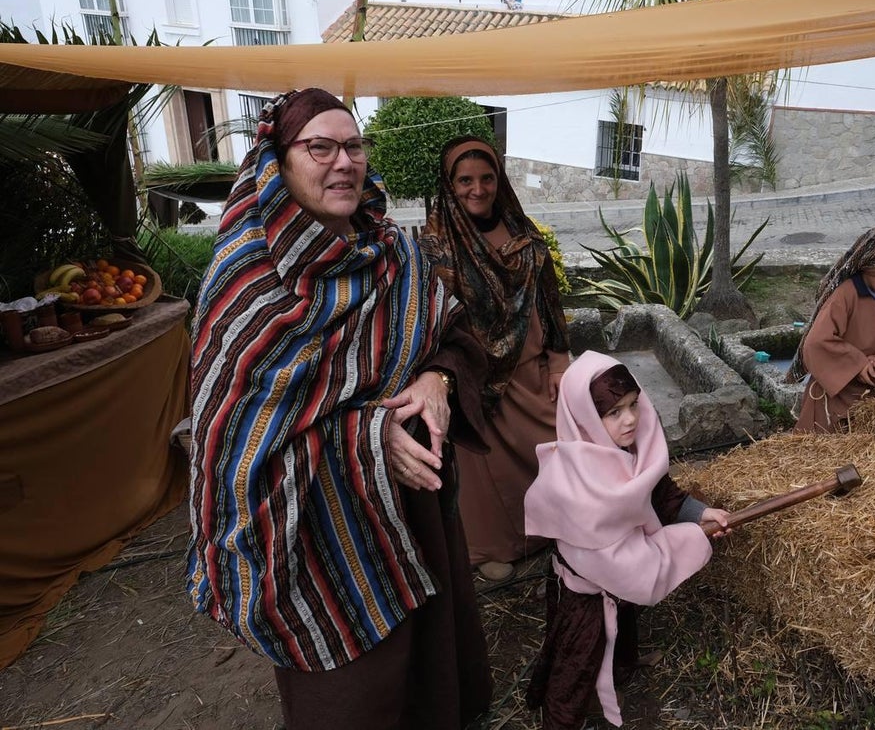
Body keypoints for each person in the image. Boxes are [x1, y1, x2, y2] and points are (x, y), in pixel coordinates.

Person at [186, 88, 492, 729]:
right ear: (279, 164)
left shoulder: (395, 255)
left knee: (431, 660)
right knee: (351, 694)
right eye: (318, 147)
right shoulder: (248, 282)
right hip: (317, 528)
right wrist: (367, 436)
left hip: (416, 503)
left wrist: (437, 378)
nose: (343, 162)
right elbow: (236, 441)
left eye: (352, 146)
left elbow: (458, 336)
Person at [523, 351, 730, 730]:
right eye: (614, 412)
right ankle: (562, 718)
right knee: (577, 655)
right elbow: (589, 548)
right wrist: (657, 551)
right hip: (584, 589)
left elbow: (660, 494)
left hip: (624, 572)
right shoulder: (568, 476)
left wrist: (699, 514)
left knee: (623, 627)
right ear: (584, 417)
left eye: (634, 405)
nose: (632, 419)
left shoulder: (635, 451)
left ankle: (619, 673)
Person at [420, 135, 571, 582]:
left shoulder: (522, 232)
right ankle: (491, 547)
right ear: (449, 185)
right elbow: (428, 317)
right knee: (482, 468)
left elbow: (548, 297)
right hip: (475, 376)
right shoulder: (436, 245)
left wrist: (560, 358)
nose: (478, 189)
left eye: (487, 178)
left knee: (553, 443)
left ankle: (561, 527)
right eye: (465, 180)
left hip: (529, 368)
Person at [784, 224, 875, 434]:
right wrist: (857, 365)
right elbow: (817, 343)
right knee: (825, 447)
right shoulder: (845, 295)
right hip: (833, 394)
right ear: (869, 267)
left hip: (872, 391)